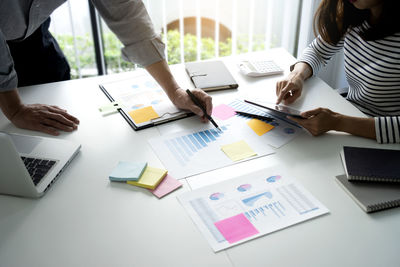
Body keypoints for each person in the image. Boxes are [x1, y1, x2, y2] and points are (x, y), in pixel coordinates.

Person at [0, 0, 212, 136]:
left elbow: (130, 19)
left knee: (55, 83)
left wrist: (174, 91)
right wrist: (15, 109)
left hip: (33, 35)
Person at [276, 0, 400, 144]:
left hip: (386, 141)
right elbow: (317, 51)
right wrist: (297, 75)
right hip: (350, 116)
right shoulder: (355, 14)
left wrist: (338, 122)